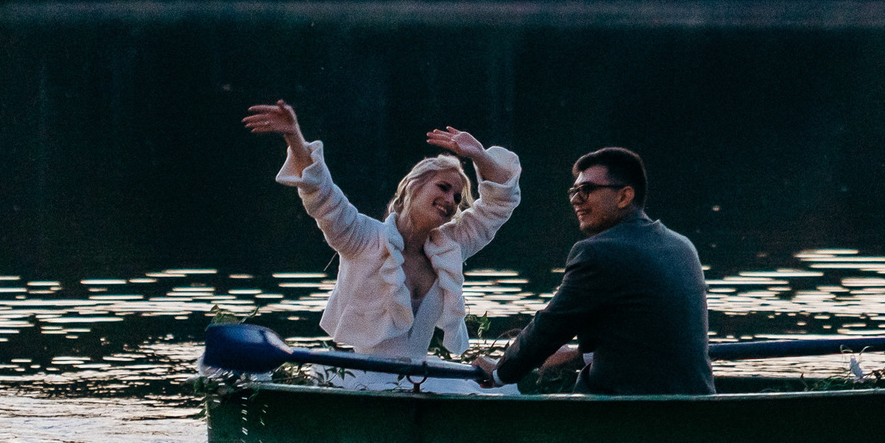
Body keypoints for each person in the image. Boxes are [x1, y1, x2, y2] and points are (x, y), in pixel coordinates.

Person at [242, 100, 520, 393]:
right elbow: (322, 195)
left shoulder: (451, 246)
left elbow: (499, 205)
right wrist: (294, 136)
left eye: (456, 194)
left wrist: (478, 155)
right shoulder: (362, 237)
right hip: (362, 378)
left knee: (507, 389)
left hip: (421, 380)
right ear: (414, 187)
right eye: (442, 187)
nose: (451, 200)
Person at [471, 147, 714, 396]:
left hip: (630, 416)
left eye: (586, 190)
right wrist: (578, 356)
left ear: (624, 196)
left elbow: (550, 327)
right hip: (697, 407)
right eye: (573, 191)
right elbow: (643, 337)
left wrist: (501, 372)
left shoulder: (598, 252)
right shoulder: (683, 246)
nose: (576, 200)